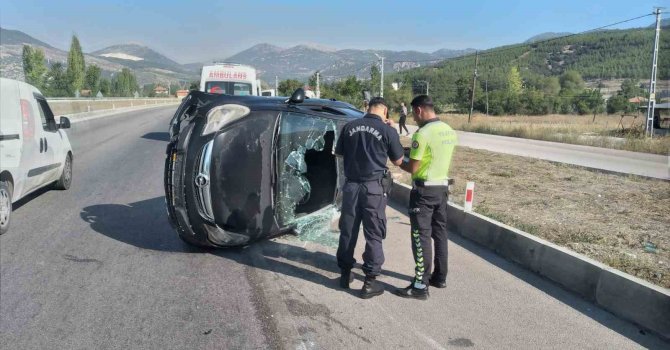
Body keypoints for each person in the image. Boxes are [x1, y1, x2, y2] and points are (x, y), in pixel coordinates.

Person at [335, 97, 404, 299]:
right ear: (385, 111)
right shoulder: (387, 130)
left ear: (368, 108)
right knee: (373, 233)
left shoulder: (349, 127)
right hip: (373, 188)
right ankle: (369, 282)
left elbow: (339, 155)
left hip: (351, 186)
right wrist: (390, 132)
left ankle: (345, 274)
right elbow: (398, 161)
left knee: (348, 230)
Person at [396, 95, 457, 300]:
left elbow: (413, 167)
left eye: (414, 114)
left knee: (420, 236)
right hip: (442, 189)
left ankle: (420, 285)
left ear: (419, 110)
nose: (414, 118)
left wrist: (398, 162)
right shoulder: (448, 130)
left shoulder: (422, 134)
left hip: (423, 192)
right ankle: (440, 277)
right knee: (439, 233)